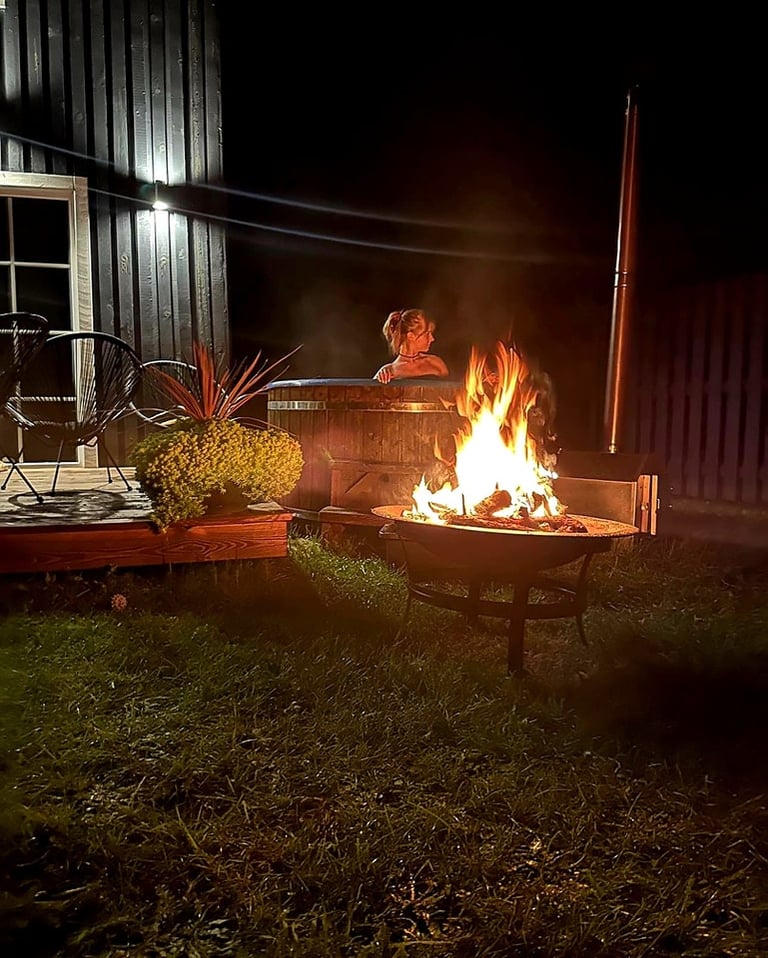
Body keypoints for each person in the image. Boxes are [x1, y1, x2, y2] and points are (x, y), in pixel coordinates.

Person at [373, 308, 450, 383]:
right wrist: (379, 381)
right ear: (411, 336)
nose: (432, 339)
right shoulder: (388, 371)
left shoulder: (436, 363)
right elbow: (369, 389)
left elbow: (453, 389)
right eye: (427, 334)